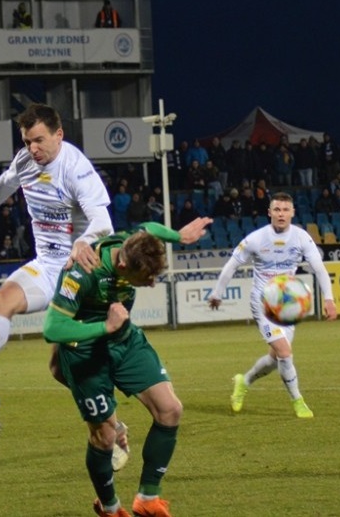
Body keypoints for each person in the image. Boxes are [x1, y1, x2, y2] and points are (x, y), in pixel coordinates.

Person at [0, 103, 113, 393]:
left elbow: (104, 224)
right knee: (1, 300)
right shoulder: (26, 160)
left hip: (81, 275)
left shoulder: (76, 169)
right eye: (27, 142)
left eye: (39, 140)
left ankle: (114, 412)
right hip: (48, 268)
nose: (32, 149)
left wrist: (81, 242)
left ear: (59, 135)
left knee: (60, 368)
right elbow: (6, 182)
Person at [44, 217, 212, 517]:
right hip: (84, 352)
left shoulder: (130, 242)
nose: (152, 283)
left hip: (123, 340)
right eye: (146, 277)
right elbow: (52, 328)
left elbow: (149, 227)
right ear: (123, 266)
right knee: (104, 437)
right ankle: (110, 508)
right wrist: (105, 327)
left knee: (170, 409)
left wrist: (178, 236)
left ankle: (147, 499)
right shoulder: (83, 271)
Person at [206, 192, 338, 418]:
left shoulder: (301, 238)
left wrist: (329, 298)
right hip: (263, 303)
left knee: (276, 358)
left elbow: (319, 268)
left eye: (285, 210)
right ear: (269, 212)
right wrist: (217, 293)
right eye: (277, 209)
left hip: (287, 305)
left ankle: (244, 381)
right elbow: (231, 265)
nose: (281, 214)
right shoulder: (256, 239)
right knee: (285, 352)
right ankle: (298, 401)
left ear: (293, 212)